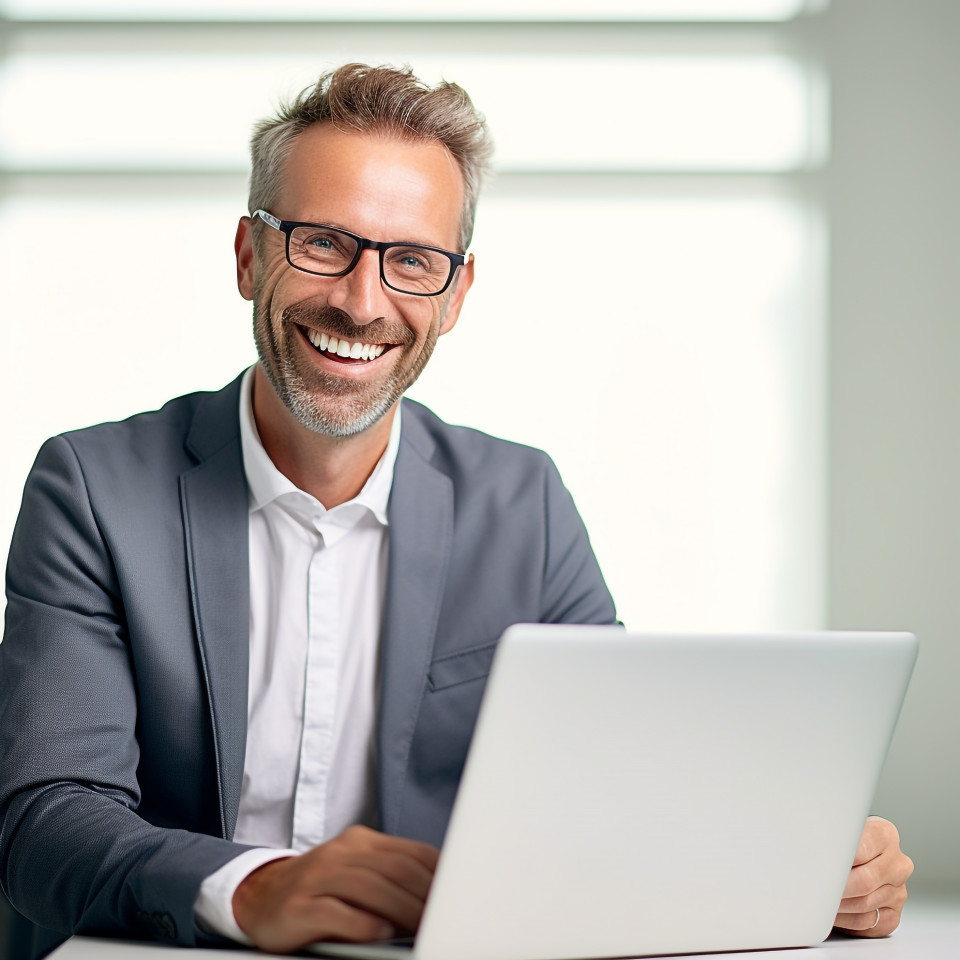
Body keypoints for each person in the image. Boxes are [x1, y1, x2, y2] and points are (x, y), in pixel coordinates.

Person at [0, 64, 911, 958]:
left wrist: (797, 869)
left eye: (413, 262)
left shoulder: (527, 505)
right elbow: (45, 822)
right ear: (249, 255)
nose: (363, 302)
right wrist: (257, 885)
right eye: (321, 241)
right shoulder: (92, 487)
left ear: (457, 295)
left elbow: (616, 796)